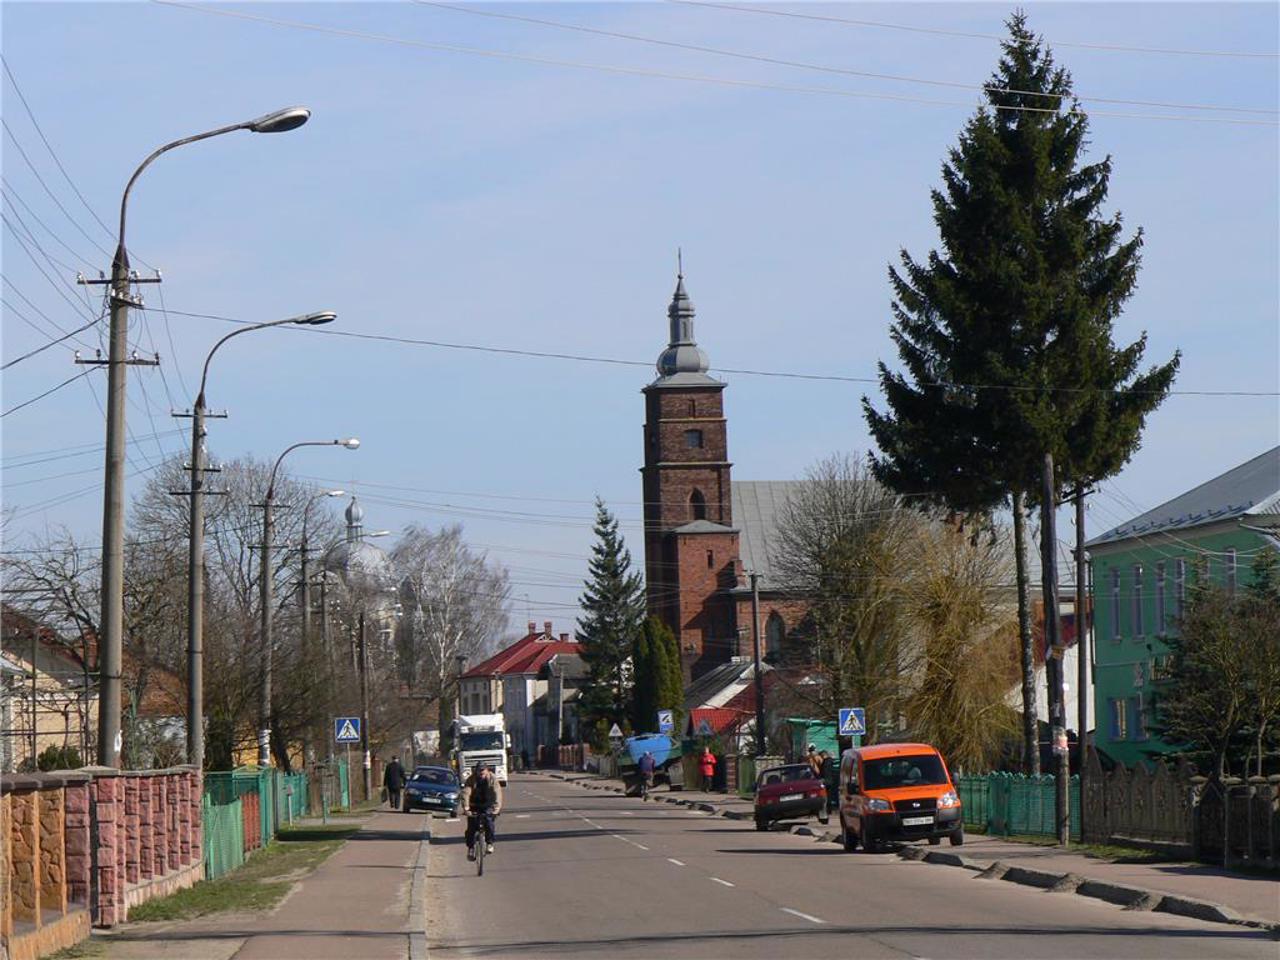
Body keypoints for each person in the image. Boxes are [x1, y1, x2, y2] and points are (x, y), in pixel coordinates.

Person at [460, 761, 503, 860]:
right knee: (471, 827)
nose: (481, 773)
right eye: (479, 771)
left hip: (488, 805)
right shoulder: (471, 779)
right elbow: (466, 793)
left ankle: (489, 843)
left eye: (483, 771)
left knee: (489, 822)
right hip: (474, 805)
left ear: (487, 770)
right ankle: (470, 848)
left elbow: (497, 793)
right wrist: (466, 807)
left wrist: (496, 808)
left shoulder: (492, 779)